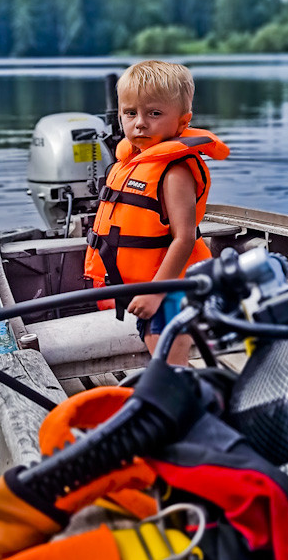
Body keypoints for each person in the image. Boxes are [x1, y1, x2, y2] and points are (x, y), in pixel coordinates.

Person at [84, 60, 229, 364]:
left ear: (181, 122)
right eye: (130, 113)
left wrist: (156, 293)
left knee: (167, 358)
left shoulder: (174, 172)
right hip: (143, 284)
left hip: (171, 287)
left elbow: (185, 239)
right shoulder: (131, 162)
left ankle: (187, 398)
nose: (139, 123)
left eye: (154, 113)